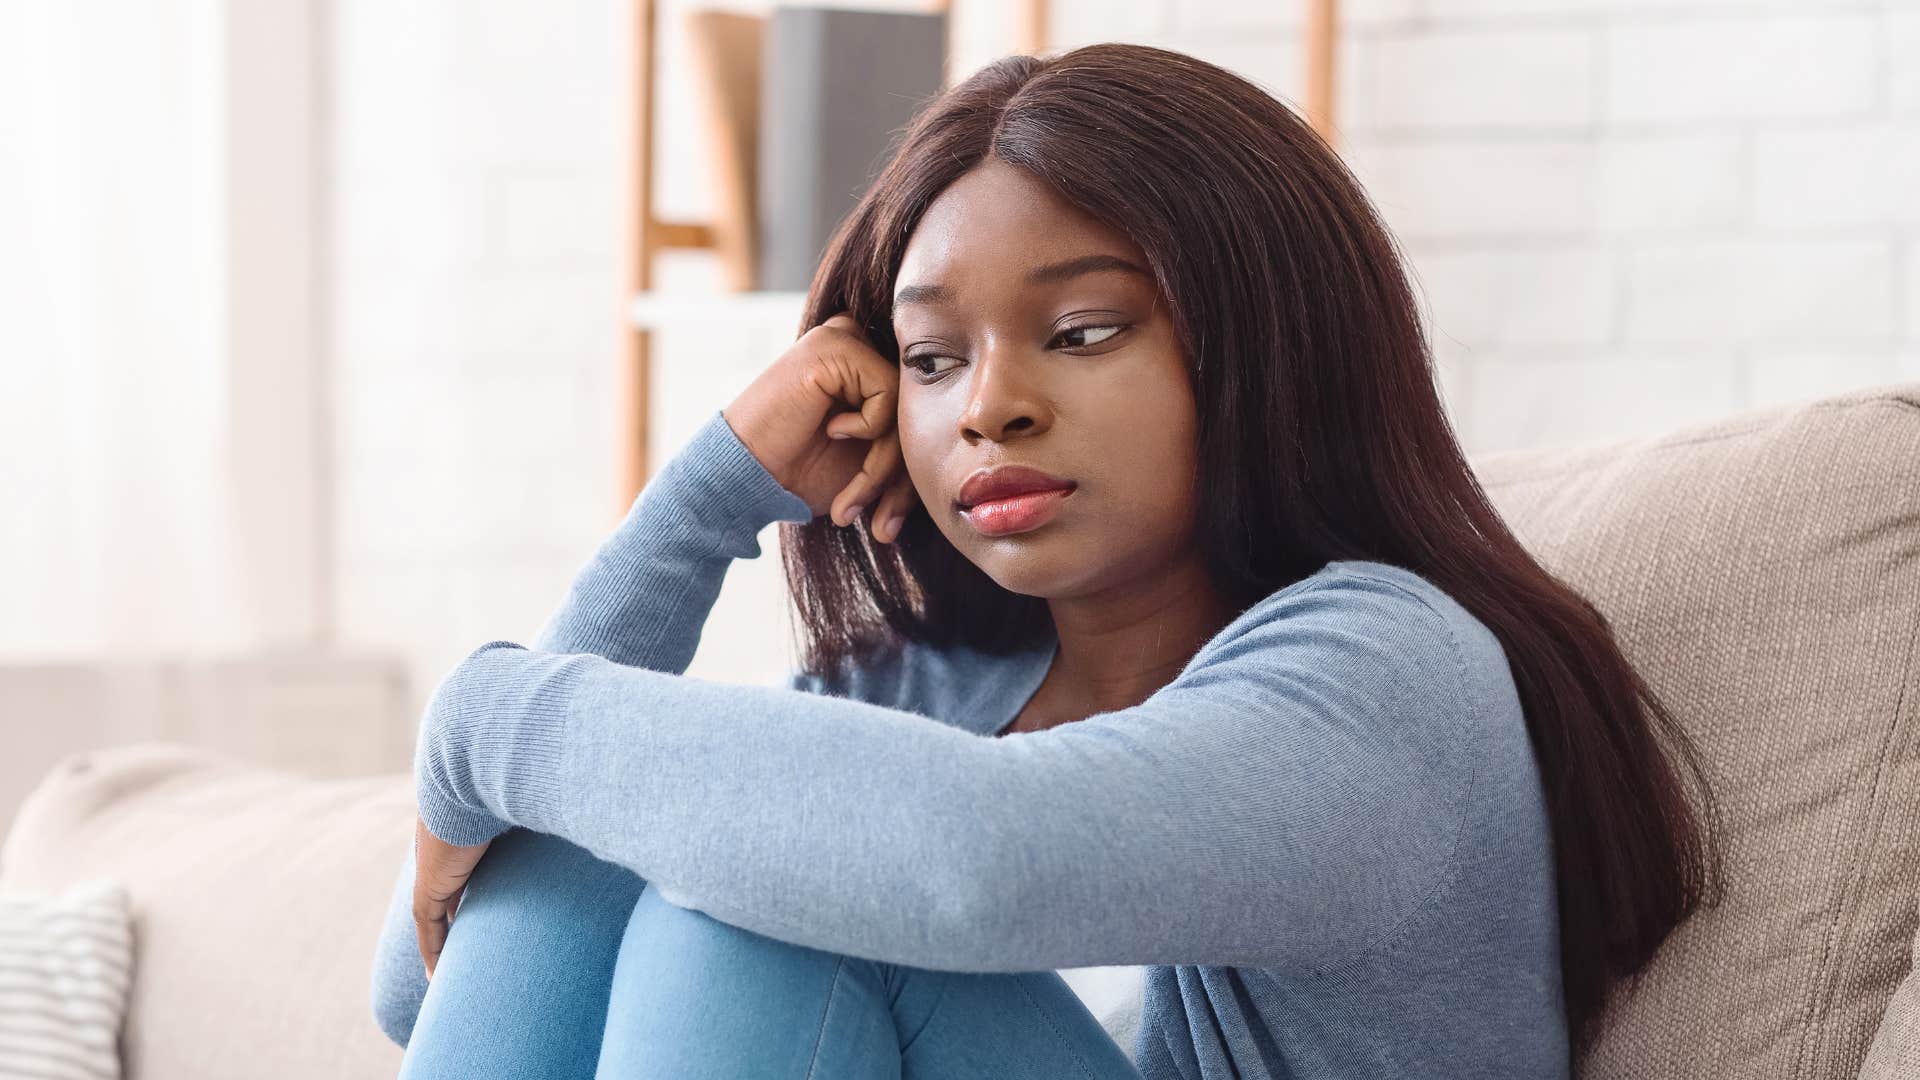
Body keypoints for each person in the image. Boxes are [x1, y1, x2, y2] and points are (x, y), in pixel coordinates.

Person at [368, 42, 1722, 1079]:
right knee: (664, 836)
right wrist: (700, 508)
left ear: (1264, 344)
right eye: (932, 357)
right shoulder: (922, 696)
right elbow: (429, 979)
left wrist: (485, 719)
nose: (986, 408)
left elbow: (973, 864)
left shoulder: (1389, 672)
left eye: (1082, 331)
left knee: (777, 896)